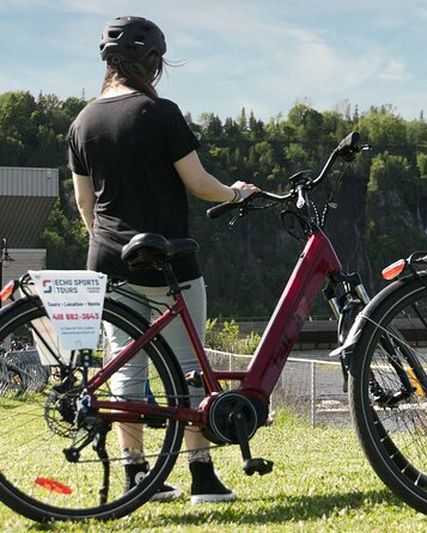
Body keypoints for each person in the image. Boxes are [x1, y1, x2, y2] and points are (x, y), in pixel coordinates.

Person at [68, 15, 260, 504]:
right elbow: (199, 183)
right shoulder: (161, 113)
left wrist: (107, 246)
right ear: (150, 62)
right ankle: (202, 476)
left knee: (126, 368)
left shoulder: (82, 122)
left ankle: (137, 476)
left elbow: (85, 204)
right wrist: (236, 193)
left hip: (110, 262)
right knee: (190, 367)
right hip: (168, 261)